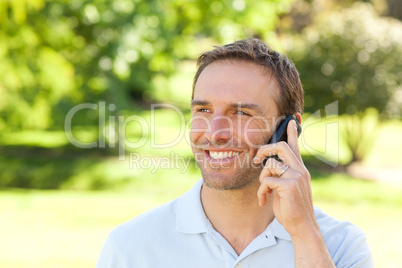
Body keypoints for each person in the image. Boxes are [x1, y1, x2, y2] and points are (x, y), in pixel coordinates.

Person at [96, 38, 374, 267]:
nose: (215, 133)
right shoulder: (130, 247)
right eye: (203, 110)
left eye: (241, 112)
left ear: (289, 128)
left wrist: (303, 233)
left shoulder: (340, 246)